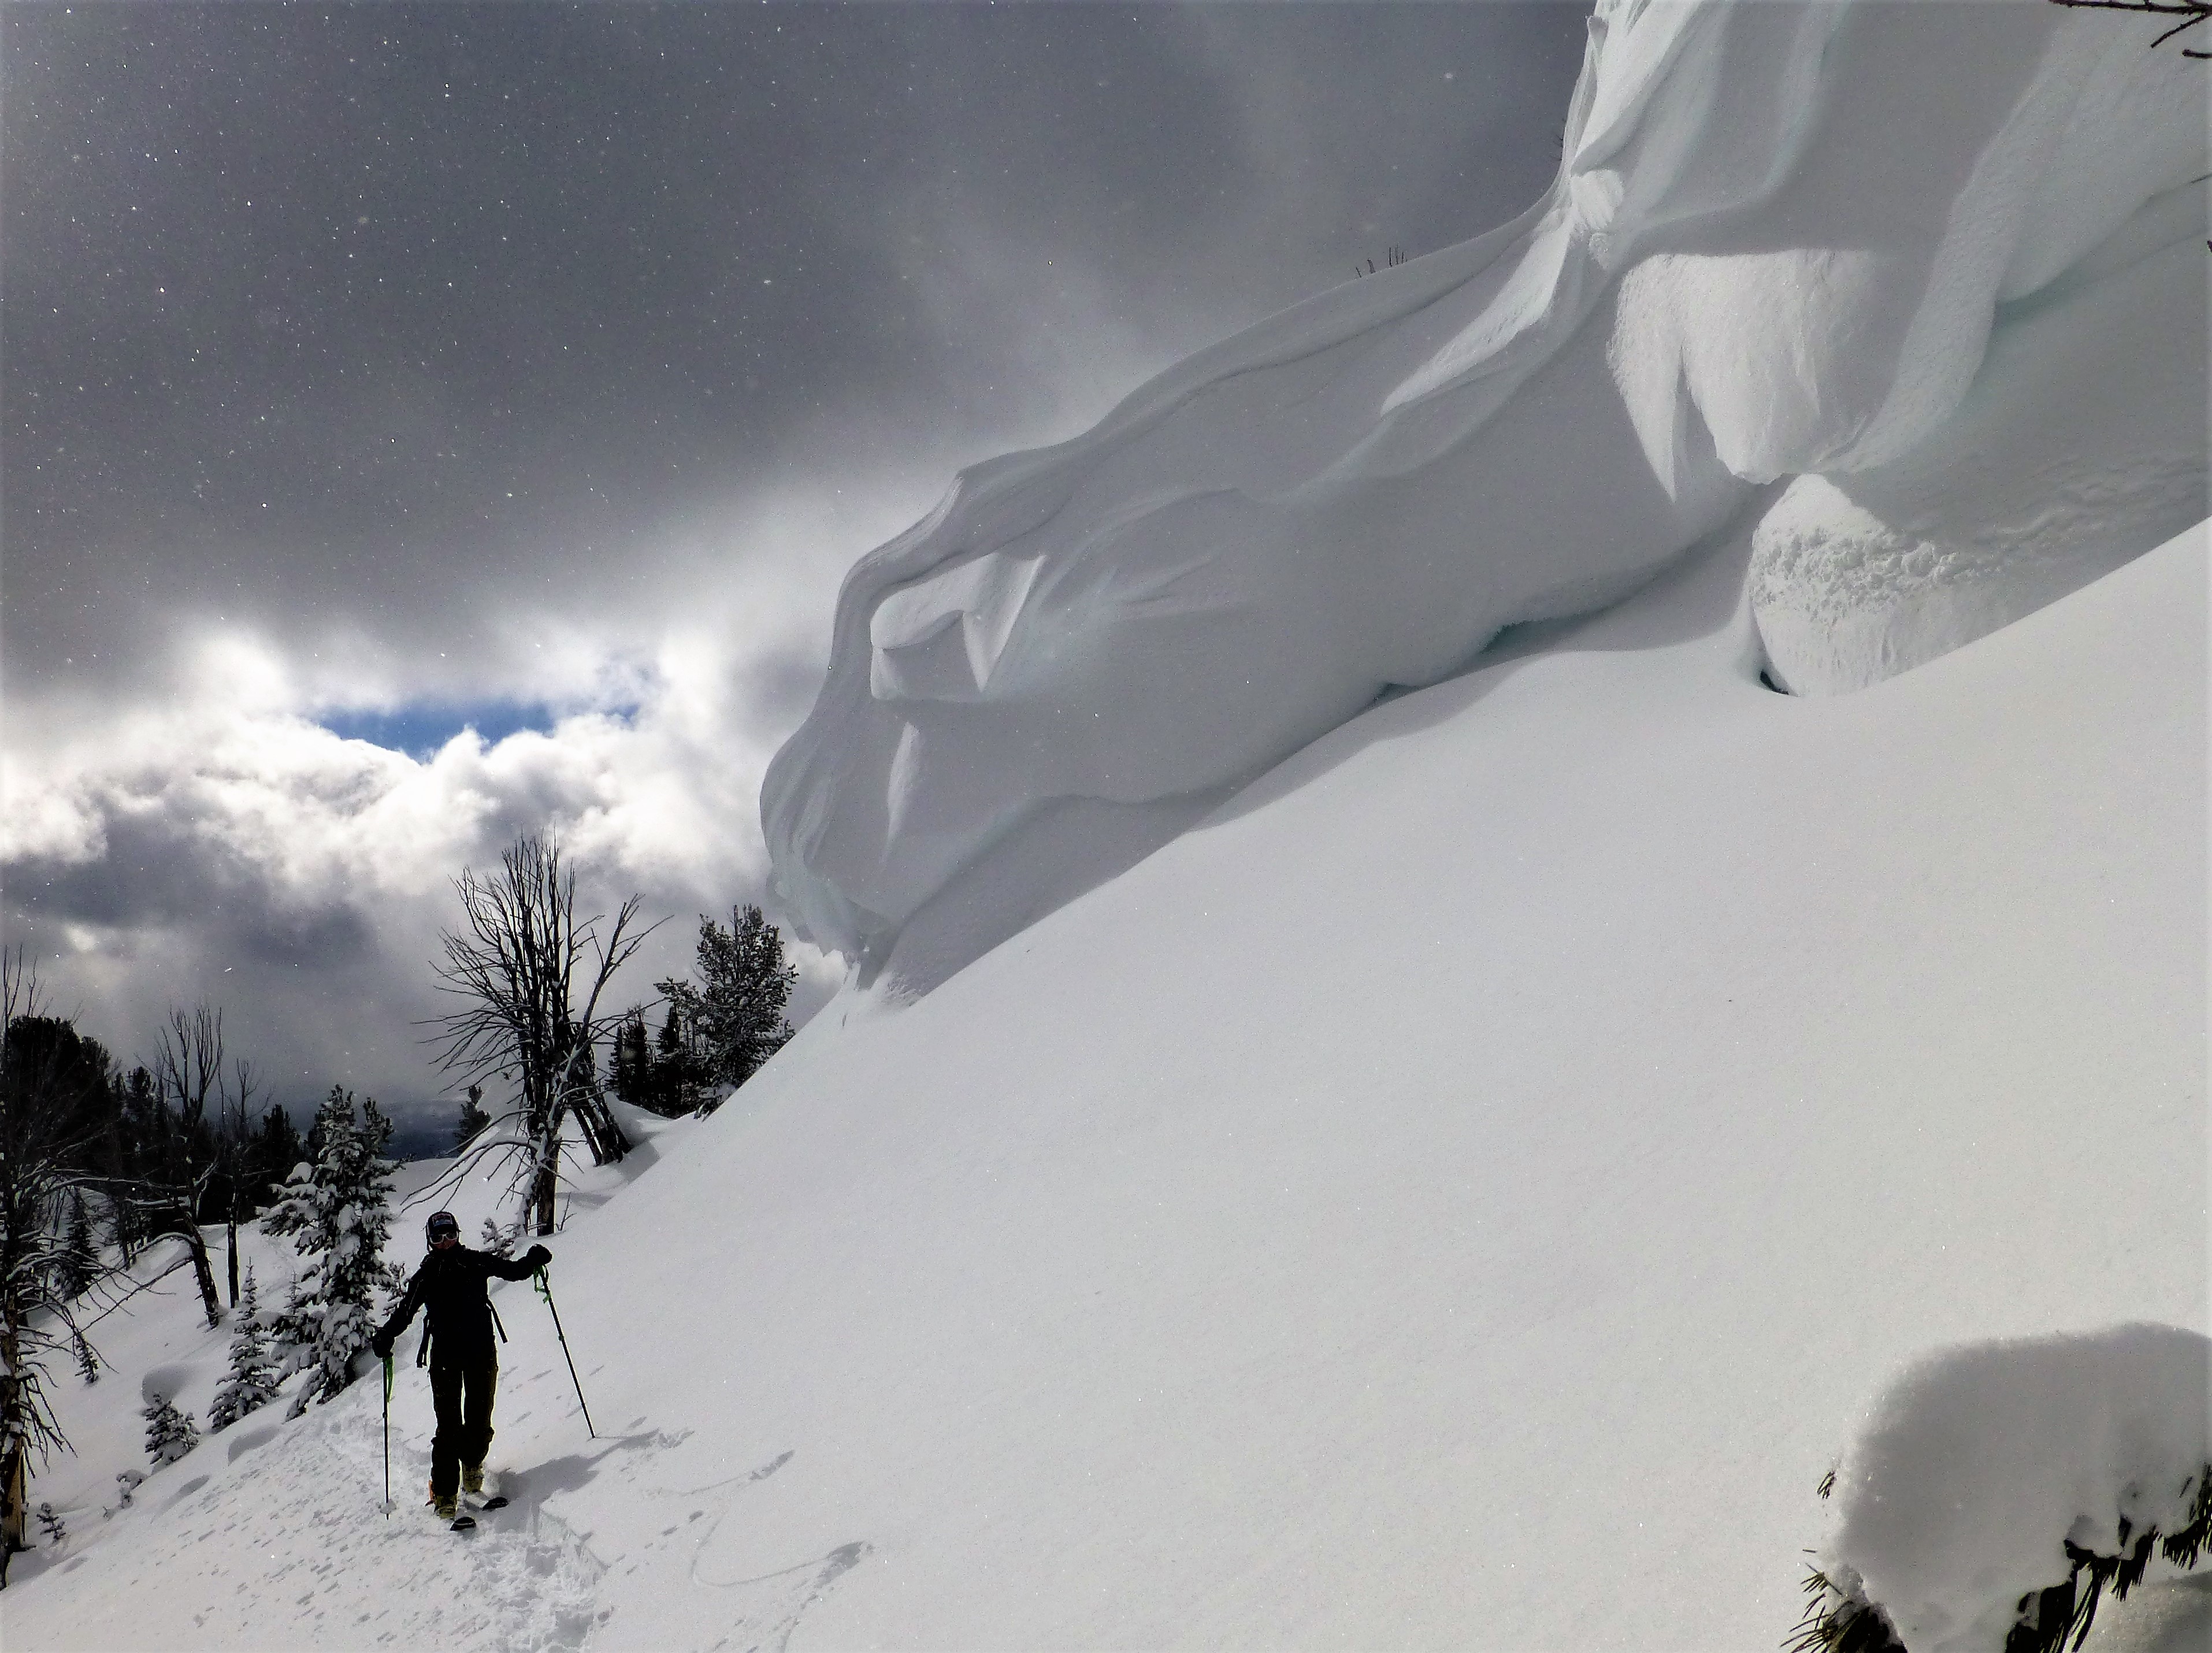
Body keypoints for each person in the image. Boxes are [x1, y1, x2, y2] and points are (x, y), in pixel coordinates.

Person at [372, 1210, 548, 1521]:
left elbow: (513, 1271)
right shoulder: (426, 1275)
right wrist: (386, 1335)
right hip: (445, 1359)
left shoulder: (475, 1261)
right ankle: (444, 1495)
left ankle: (472, 1467)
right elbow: (405, 1312)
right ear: (430, 1241)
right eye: (438, 1237)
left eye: (450, 1235)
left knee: (480, 1419)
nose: (445, 1242)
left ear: (458, 1234)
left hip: (481, 1351)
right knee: (449, 1428)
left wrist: (533, 1259)